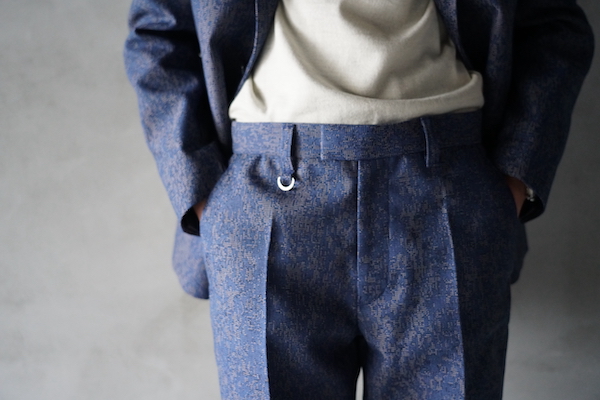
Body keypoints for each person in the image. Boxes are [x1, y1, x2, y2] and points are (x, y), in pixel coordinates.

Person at [124, 0, 593, 398]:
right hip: (264, 199)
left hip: (447, 194)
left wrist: (514, 181)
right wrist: (203, 196)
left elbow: (554, 25)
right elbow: (159, 31)